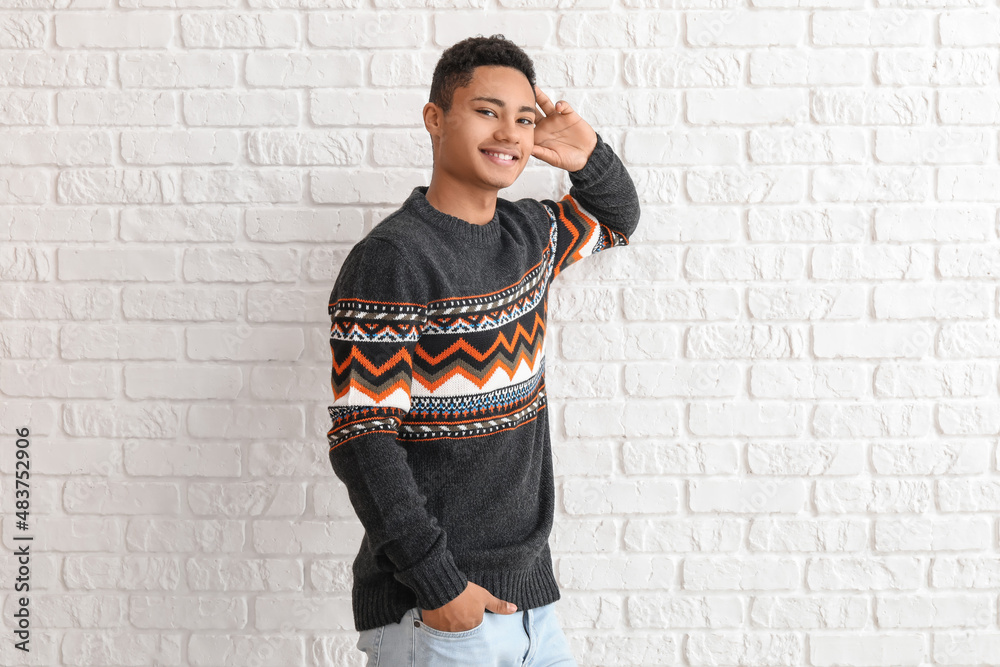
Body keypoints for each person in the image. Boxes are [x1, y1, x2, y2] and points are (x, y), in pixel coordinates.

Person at [326, 34, 640, 666]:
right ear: (435, 119)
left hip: (531, 606)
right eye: (488, 111)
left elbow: (615, 217)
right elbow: (363, 438)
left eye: (524, 119)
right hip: (438, 611)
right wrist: (439, 586)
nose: (509, 132)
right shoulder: (394, 259)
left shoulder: (528, 235)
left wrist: (586, 154)